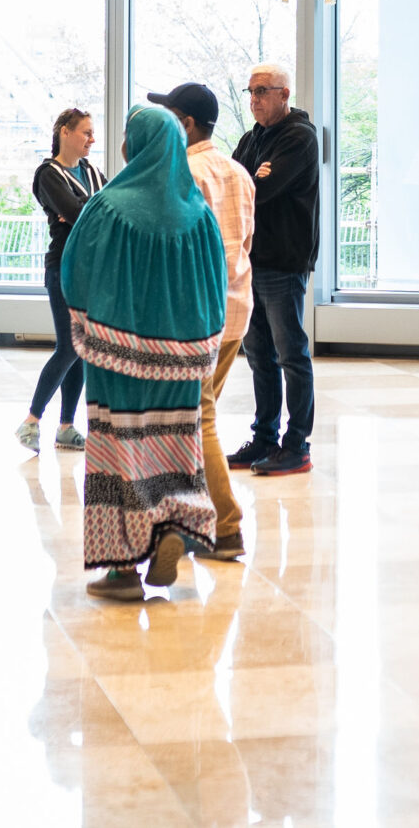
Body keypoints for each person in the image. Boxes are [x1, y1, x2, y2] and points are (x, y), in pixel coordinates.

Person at [62, 105, 226, 600]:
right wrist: (203, 344)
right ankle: (171, 526)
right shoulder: (198, 214)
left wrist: (86, 319)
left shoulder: (108, 206)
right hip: (181, 362)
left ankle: (122, 572)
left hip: (117, 356)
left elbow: (76, 273)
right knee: (176, 445)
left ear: (134, 146)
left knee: (117, 451)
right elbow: (216, 288)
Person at [150, 83, 254, 562]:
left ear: (187, 124)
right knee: (194, 417)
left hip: (197, 314)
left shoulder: (182, 173)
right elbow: (245, 241)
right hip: (236, 309)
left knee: (199, 418)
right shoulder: (238, 172)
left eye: (170, 115)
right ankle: (192, 520)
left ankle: (226, 527)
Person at [228, 62, 319, 478]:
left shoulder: (299, 137)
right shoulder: (251, 140)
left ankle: (296, 445)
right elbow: (236, 188)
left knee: (291, 355)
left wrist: (253, 180)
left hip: (283, 262)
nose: (254, 99)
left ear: (285, 94)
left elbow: (260, 191)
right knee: (259, 357)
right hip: (252, 261)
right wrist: (252, 178)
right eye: (250, 91)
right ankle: (265, 437)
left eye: (262, 91)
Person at [20, 109, 103, 452]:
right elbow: (81, 213)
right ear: (65, 132)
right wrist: (89, 207)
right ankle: (31, 420)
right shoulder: (48, 174)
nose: (92, 139)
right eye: (86, 132)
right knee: (70, 346)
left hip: (93, 270)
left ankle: (66, 426)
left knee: (82, 350)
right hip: (64, 269)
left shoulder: (91, 171)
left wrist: (86, 208)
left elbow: (107, 207)